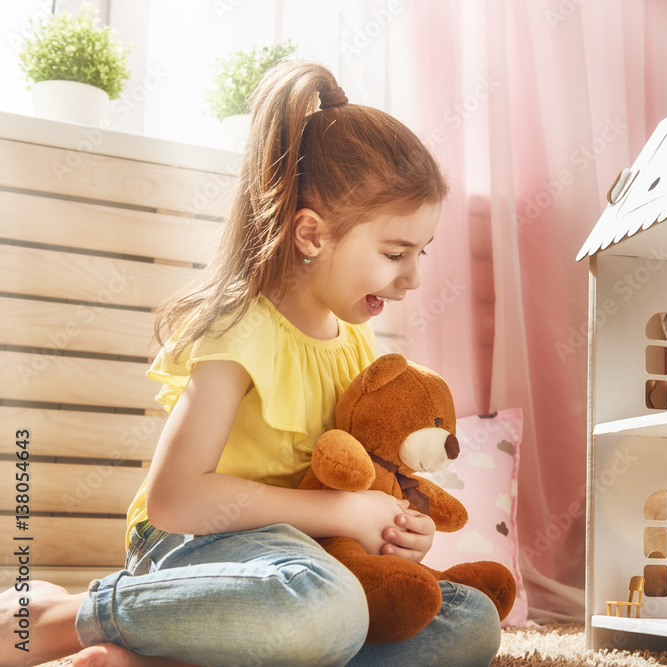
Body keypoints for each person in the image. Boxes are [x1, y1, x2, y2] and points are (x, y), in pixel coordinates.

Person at [0, 61, 501, 667]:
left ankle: (162, 660)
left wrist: (394, 534)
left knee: (468, 622)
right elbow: (175, 501)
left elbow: (357, 481)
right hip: (195, 550)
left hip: (302, 560)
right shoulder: (241, 332)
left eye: (421, 252)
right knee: (326, 607)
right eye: (396, 253)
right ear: (312, 235)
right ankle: (56, 617)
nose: (414, 277)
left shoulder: (354, 346)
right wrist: (337, 511)